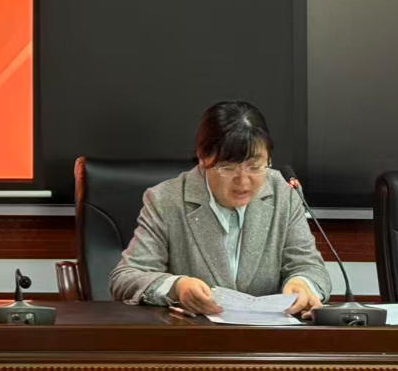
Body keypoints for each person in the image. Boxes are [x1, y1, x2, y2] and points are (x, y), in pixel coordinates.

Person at [110, 100, 331, 317]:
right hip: (193, 336)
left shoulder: (284, 193)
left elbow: (310, 267)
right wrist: (176, 286)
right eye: (228, 167)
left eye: (255, 167)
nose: (243, 180)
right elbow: (125, 277)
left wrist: (303, 284)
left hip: (266, 336)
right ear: (203, 158)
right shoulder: (166, 200)